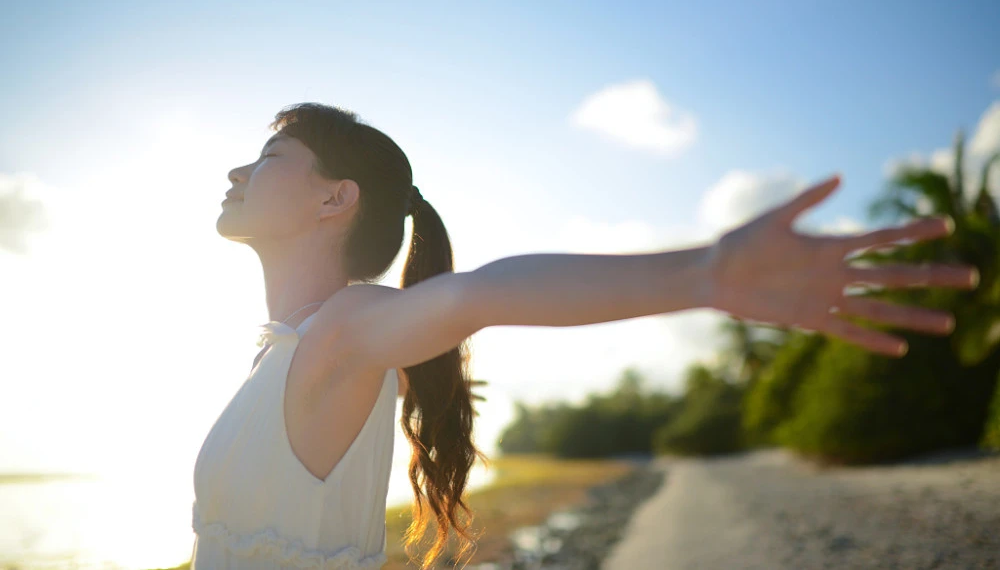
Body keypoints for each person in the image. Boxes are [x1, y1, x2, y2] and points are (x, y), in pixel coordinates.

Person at [192, 102, 979, 570]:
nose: (238, 172)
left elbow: (482, 292)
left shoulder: (345, 327)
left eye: (268, 156)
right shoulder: (293, 348)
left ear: (336, 199)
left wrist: (708, 272)